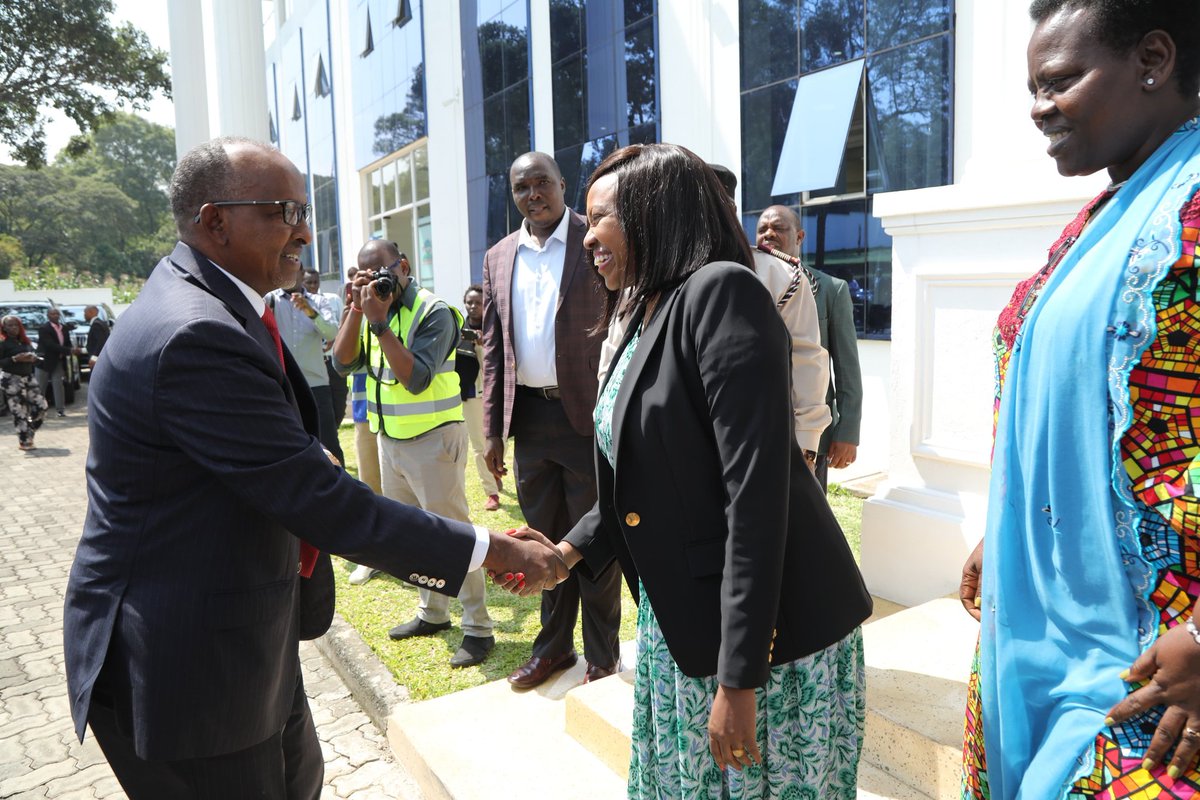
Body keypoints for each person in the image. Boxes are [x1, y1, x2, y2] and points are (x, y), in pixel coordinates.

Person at [62, 136, 565, 800]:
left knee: (298, 780)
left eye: (304, 210)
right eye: (283, 211)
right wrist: (490, 547)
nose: (304, 230)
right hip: (190, 668)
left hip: (245, 636)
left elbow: (280, 460)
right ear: (215, 221)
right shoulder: (194, 331)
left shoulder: (221, 303)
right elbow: (321, 499)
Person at [502, 142, 872, 797]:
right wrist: (566, 553)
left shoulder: (722, 294)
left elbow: (754, 499)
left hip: (767, 647)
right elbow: (642, 476)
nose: (586, 239)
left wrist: (739, 678)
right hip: (686, 627)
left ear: (653, 213)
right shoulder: (645, 309)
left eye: (600, 219)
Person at [958, 1, 1200, 796]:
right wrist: (1012, 529)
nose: (1037, 108)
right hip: (1054, 641)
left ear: (1153, 60)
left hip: (1163, 682)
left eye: (1058, 81)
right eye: (1032, 87)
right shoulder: (1107, 214)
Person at [481, 151, 622, 688]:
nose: (533, 194)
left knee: (592, 540)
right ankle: (553, 649)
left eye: (543, 183)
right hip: (531, 420)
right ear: (512, 195)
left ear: (564, 185)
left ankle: (603, 657)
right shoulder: (499, 255)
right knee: (538, 540)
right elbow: (493, 347)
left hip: (587, 413)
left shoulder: (598, 236)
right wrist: (492, 428)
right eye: (522, 187)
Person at [333, 239, 495, 669]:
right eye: (364, 277)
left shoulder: (434, 311)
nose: (376, 283)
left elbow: (417, 379)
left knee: (455, 534)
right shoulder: (370, 310)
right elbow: (342, 363)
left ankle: (478, 626)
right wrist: (355, 309)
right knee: (411, 534)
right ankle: (433, 613)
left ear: (403, 266)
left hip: (434, 441)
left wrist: (380, 324)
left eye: (381, 273)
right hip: (392, 441)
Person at [756, 205, 862, 490]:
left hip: (810, 428)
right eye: (762, 229)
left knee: (809, 515)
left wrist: (848, 431)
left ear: (800, 236)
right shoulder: (747, 283)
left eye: (778, 228)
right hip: (759, 425)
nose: (768, 233)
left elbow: (847, 366)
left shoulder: (830, 289)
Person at [266, 264, 345, 464]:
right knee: (290, 444)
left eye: (295, 268)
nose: (289, 271)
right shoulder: (271, 300)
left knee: (329, 442)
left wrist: (311, 312)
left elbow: (332, 333)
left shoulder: (319, 301)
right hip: (285, 387)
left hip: (316, 385)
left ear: (301, 273)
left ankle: (343, 488)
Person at [457, 284, 502, 510]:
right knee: (478, 446)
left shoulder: (495, 329)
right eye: (469, 302)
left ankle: (495, 469)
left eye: (478, 302)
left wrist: (484, 346)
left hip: (496, 393)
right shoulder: (458, 330)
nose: (473, 306)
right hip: (471, 395)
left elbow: (495, 367)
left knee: (499, 438)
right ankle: (491, 492)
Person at [303, 267, 350, 429]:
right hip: (315, 365)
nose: (313, 285)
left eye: (316, 282)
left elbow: (342, 325)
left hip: (332, 362)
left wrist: (334, 337)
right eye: (309, 282)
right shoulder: (298, 305)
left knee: (339, 405)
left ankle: (333, 430)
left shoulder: (332, 300)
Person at [0, 314, 48, 451]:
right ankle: (25, 441)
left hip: (28, 377)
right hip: (11, 380)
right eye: (9, 325)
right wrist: (14, 359)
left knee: (42, 406)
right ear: (4, 327)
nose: (13, 328)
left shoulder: (25, 341)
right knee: (19, 412)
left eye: (16, 325)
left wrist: (33, 358)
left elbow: (35, 356)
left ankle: (28, 430)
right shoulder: (2, 343)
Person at [36, 306, 79, 416]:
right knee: (41, 386)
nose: (55, 316)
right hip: (44, 361)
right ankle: (39, 410)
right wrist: (69, 350)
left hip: (58, 361)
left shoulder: (64, 328)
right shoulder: (44, 328)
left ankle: (60, 409)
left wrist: (70, 349)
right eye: (52, 314)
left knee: (58, 385)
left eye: (57, 314)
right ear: (48, 316)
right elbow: (50, 345)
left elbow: (67, 342)